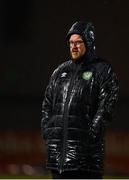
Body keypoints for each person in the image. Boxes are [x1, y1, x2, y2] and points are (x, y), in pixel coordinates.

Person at [41, 21, 119, 179]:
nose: (73, 46)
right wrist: (48, 132)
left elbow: (106, 108)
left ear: (89, 42)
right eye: (71, 42)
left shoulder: (103, 70)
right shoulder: (60, 71)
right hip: (58, 160)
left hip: (86, 161)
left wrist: (89, 137)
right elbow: (47, 105)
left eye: (78, 42)